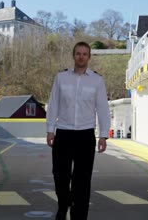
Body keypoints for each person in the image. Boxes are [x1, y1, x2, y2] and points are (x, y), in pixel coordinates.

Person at [46, 41, 110, 220]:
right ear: (73, 56)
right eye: (78, 53)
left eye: (84, 54)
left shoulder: (97, 81)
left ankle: (79, 215)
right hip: (64, 133)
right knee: (60, 175)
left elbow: (103, 109)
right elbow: (54, 104)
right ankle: (64, 203)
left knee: (82, 180)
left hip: (85, 135)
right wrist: (50, 130)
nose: (81, 57)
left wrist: (103, 135)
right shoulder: (61, 78)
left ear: (89, 57)